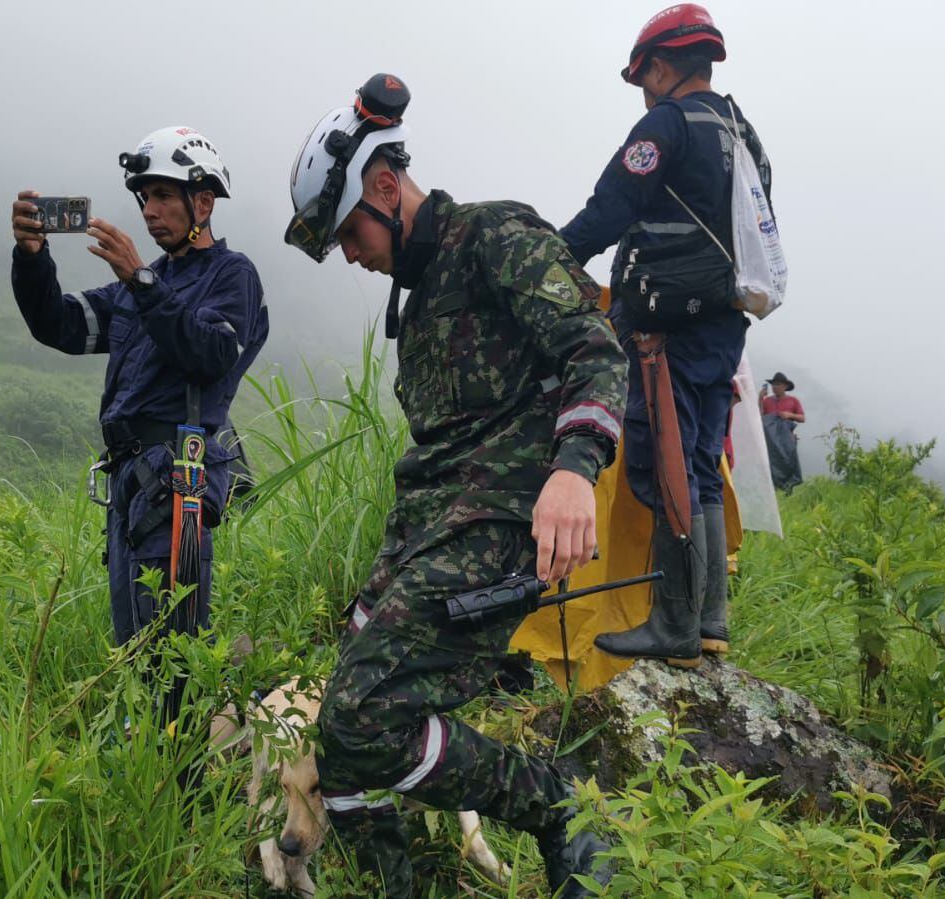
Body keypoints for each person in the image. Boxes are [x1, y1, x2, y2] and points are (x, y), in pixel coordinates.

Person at [284, 75, 626, 898]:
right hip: (434, 528)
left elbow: (593, 347)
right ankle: (389, 885)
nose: (350, 254)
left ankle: (559, 805)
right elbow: (434, 460)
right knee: (345, 721)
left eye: (348, 234)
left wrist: (574, 471)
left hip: (506, 523)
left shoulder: (492, 235)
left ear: (382, 185)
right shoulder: (422, 291)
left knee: (363, 719)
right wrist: (378, 587)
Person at [9, 126, 268, 720]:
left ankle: (186, 786)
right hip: (130, 483)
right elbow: (60, 325)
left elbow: (212, 354)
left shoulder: (233, 276)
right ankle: (156, 773)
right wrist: (32, 257)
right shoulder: (140, 285)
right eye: (143, 198)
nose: (150, 211)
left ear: (204, 201)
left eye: (163, 196)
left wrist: (140, 280)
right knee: (134, 644)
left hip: (179, 479)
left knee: (169, 647)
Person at [558, 3, 774, 667]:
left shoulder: (666, 125)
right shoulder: (742, 132)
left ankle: (673, 624)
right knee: (703, 463)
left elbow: (610, 209)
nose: (644, 88)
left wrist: (546, 260)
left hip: (664, 331)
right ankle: (708, 618)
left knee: (667, 462)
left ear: (659, 64)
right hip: (721, 327)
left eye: (643, 74)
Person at [760, 371, 804, 492]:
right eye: (773, 384)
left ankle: (788, 490)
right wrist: (760, 398)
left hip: (787, 440)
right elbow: (760, 417)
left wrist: (789, 414)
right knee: (770, 464)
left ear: (785, 386)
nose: (775, 387)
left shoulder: (793, 400)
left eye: (778, 384)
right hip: (770, 440)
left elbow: (802, 418)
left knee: (788, 463)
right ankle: (772, 491)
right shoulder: (767, 400)